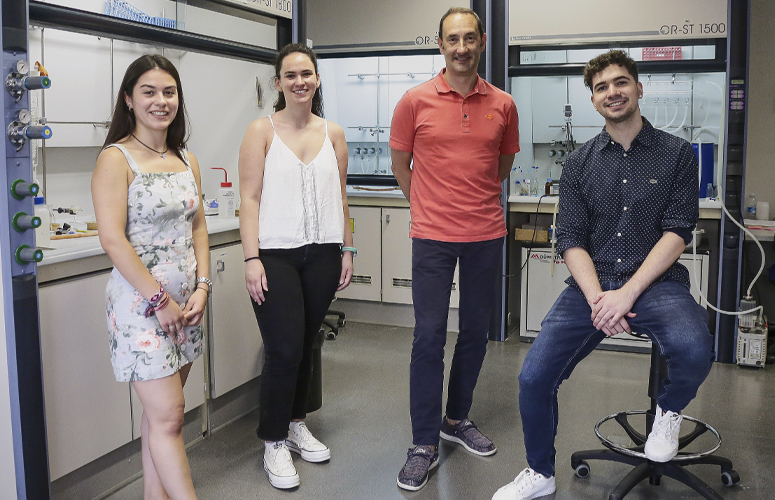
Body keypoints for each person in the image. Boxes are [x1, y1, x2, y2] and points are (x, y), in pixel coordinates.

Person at [492, 50, 715, 500]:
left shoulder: (676, 154)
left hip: (656, 284)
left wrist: (626, 295)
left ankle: (668, 412)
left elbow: (677, 232)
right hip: (591, 288)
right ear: (593, 100)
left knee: (695, 349)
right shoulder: (579, 162)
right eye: (601, 87)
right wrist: (599, 299)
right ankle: (540, 472)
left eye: (620, 82)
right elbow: (570, 238)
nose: (612, 92)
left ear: (638, 87)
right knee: (533, 378)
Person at [389, 7, 520, 492]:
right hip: (433, 237)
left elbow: (500, 166)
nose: (461, 47)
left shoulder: (503, 104)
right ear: (440, 44)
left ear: (481, 41)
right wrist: (429, 205)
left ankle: (455, 418)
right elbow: (401, 164)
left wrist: (468, 201)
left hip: (485, 234)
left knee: (475, 332)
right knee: (428, 336)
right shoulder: (414, 101)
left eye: (469, 38)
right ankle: (423, 442)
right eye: (452, 39)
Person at [238, 43, 354, 490]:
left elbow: (341, 198)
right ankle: (273, 440)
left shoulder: (333, 133)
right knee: (284, 348)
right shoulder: (261, 131)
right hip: (275, 255)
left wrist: (347, 249)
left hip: (323, 253)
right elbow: (249, 199)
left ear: (317, 79)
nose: (299, 81)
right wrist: (252, 258)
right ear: (278, 83)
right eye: (290, 75)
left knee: (306, 344)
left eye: (306, 74)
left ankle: (296, 424)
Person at [93, 54, 209, 500]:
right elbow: (112, 239)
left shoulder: (186, 159)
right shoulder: (116, 158)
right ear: (129, 99)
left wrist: (203, 286)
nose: (161, 101)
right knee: (171, 415)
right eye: (149, 92)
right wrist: (160, 301)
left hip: (187, 306)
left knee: (161, 419)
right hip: (143, 305)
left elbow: (198, 227)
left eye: (169, 92)